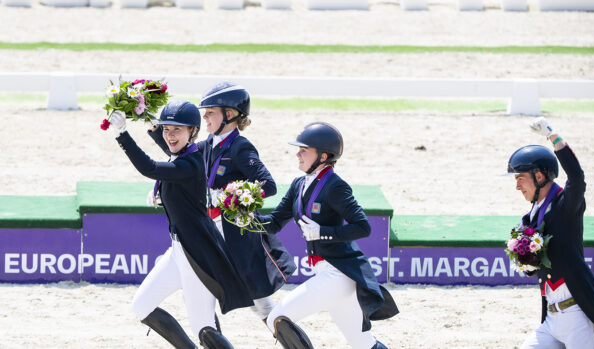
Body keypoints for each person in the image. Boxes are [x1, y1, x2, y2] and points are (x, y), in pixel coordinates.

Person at [108, 101, 255, 349]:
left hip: (197, 255)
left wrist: (122, 135)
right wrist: (146, 116)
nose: (170, 135)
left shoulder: (191, 163)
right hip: (178, 251)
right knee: (142, 306)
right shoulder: (183, 154)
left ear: (193, 132)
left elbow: (151, 168)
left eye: (177, 130)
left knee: (204, 328)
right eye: (167, 129)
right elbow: (168, 149)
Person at [148, 82, 296, 326]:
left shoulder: (240, 148)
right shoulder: (206, 145)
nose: (204, 117)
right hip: (208, 228)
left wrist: (229, 196)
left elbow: (268, 185)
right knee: (197, 287)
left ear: (229, 115)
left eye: (210, 113)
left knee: (261, 304)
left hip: (232, 233)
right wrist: (151, 124)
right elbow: (176, 153)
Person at [255, 122, 399, 349]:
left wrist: (324, 233)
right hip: (326, 273)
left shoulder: (335, 186)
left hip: (338, 274)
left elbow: (363, 227)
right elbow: (273, 223)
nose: (297, 154)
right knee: (362, 343)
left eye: (304, 150)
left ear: (323, 156)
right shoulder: (298, 184)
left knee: (278, 318)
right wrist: (244, 221)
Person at [507, 117, 594, 349]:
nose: (517, 186)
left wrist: (553, 136)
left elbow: (576, 178)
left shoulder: (565, 205)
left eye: (520, 179)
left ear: (539, 177)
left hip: (578, 318)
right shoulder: (530, 217)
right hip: (551, 319)